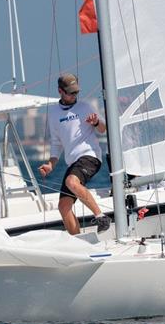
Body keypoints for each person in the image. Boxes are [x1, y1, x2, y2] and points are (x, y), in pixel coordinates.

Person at [38, 73, 111, 235]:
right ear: (60, 91)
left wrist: (96, 122)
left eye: (76, 92)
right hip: (73, 162)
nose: (74, 95)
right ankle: (78, 241)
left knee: (72, 181)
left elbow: (103, 129)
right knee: (63, 206)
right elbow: (56, 144)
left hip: (90, 156)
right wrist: (50, 164)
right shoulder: (54, 113)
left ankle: (101, 217)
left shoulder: (85, 107)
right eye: (70, 92)